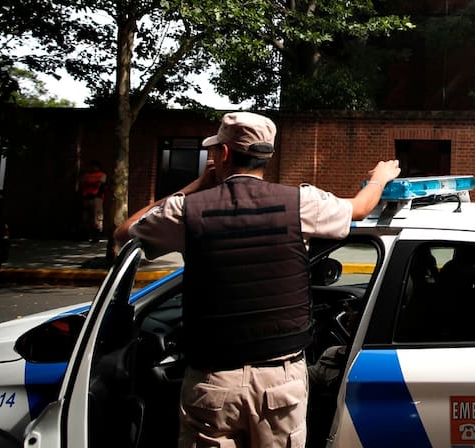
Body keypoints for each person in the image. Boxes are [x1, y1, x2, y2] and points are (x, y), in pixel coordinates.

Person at [114, 111, 400, 448]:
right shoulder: (300, 204)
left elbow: (124, 232)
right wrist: (380, 178)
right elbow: (359, 208)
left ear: (222, 154)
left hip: (212, 382)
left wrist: (197, 186)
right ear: (267, 155)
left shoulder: (188, 211)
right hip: (281, 382)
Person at [77, 161, 107, 241]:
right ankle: (86, 235)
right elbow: (82, 184)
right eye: (92, 166)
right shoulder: (87, 175)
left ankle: (96, 236)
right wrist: (93, 183)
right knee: (85, 217)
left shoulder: (101, 175)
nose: (93, 168)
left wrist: (89, 183)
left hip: (96, 197)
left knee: (96, 217)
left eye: (95, 166)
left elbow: (99, 184)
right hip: (86, 197)